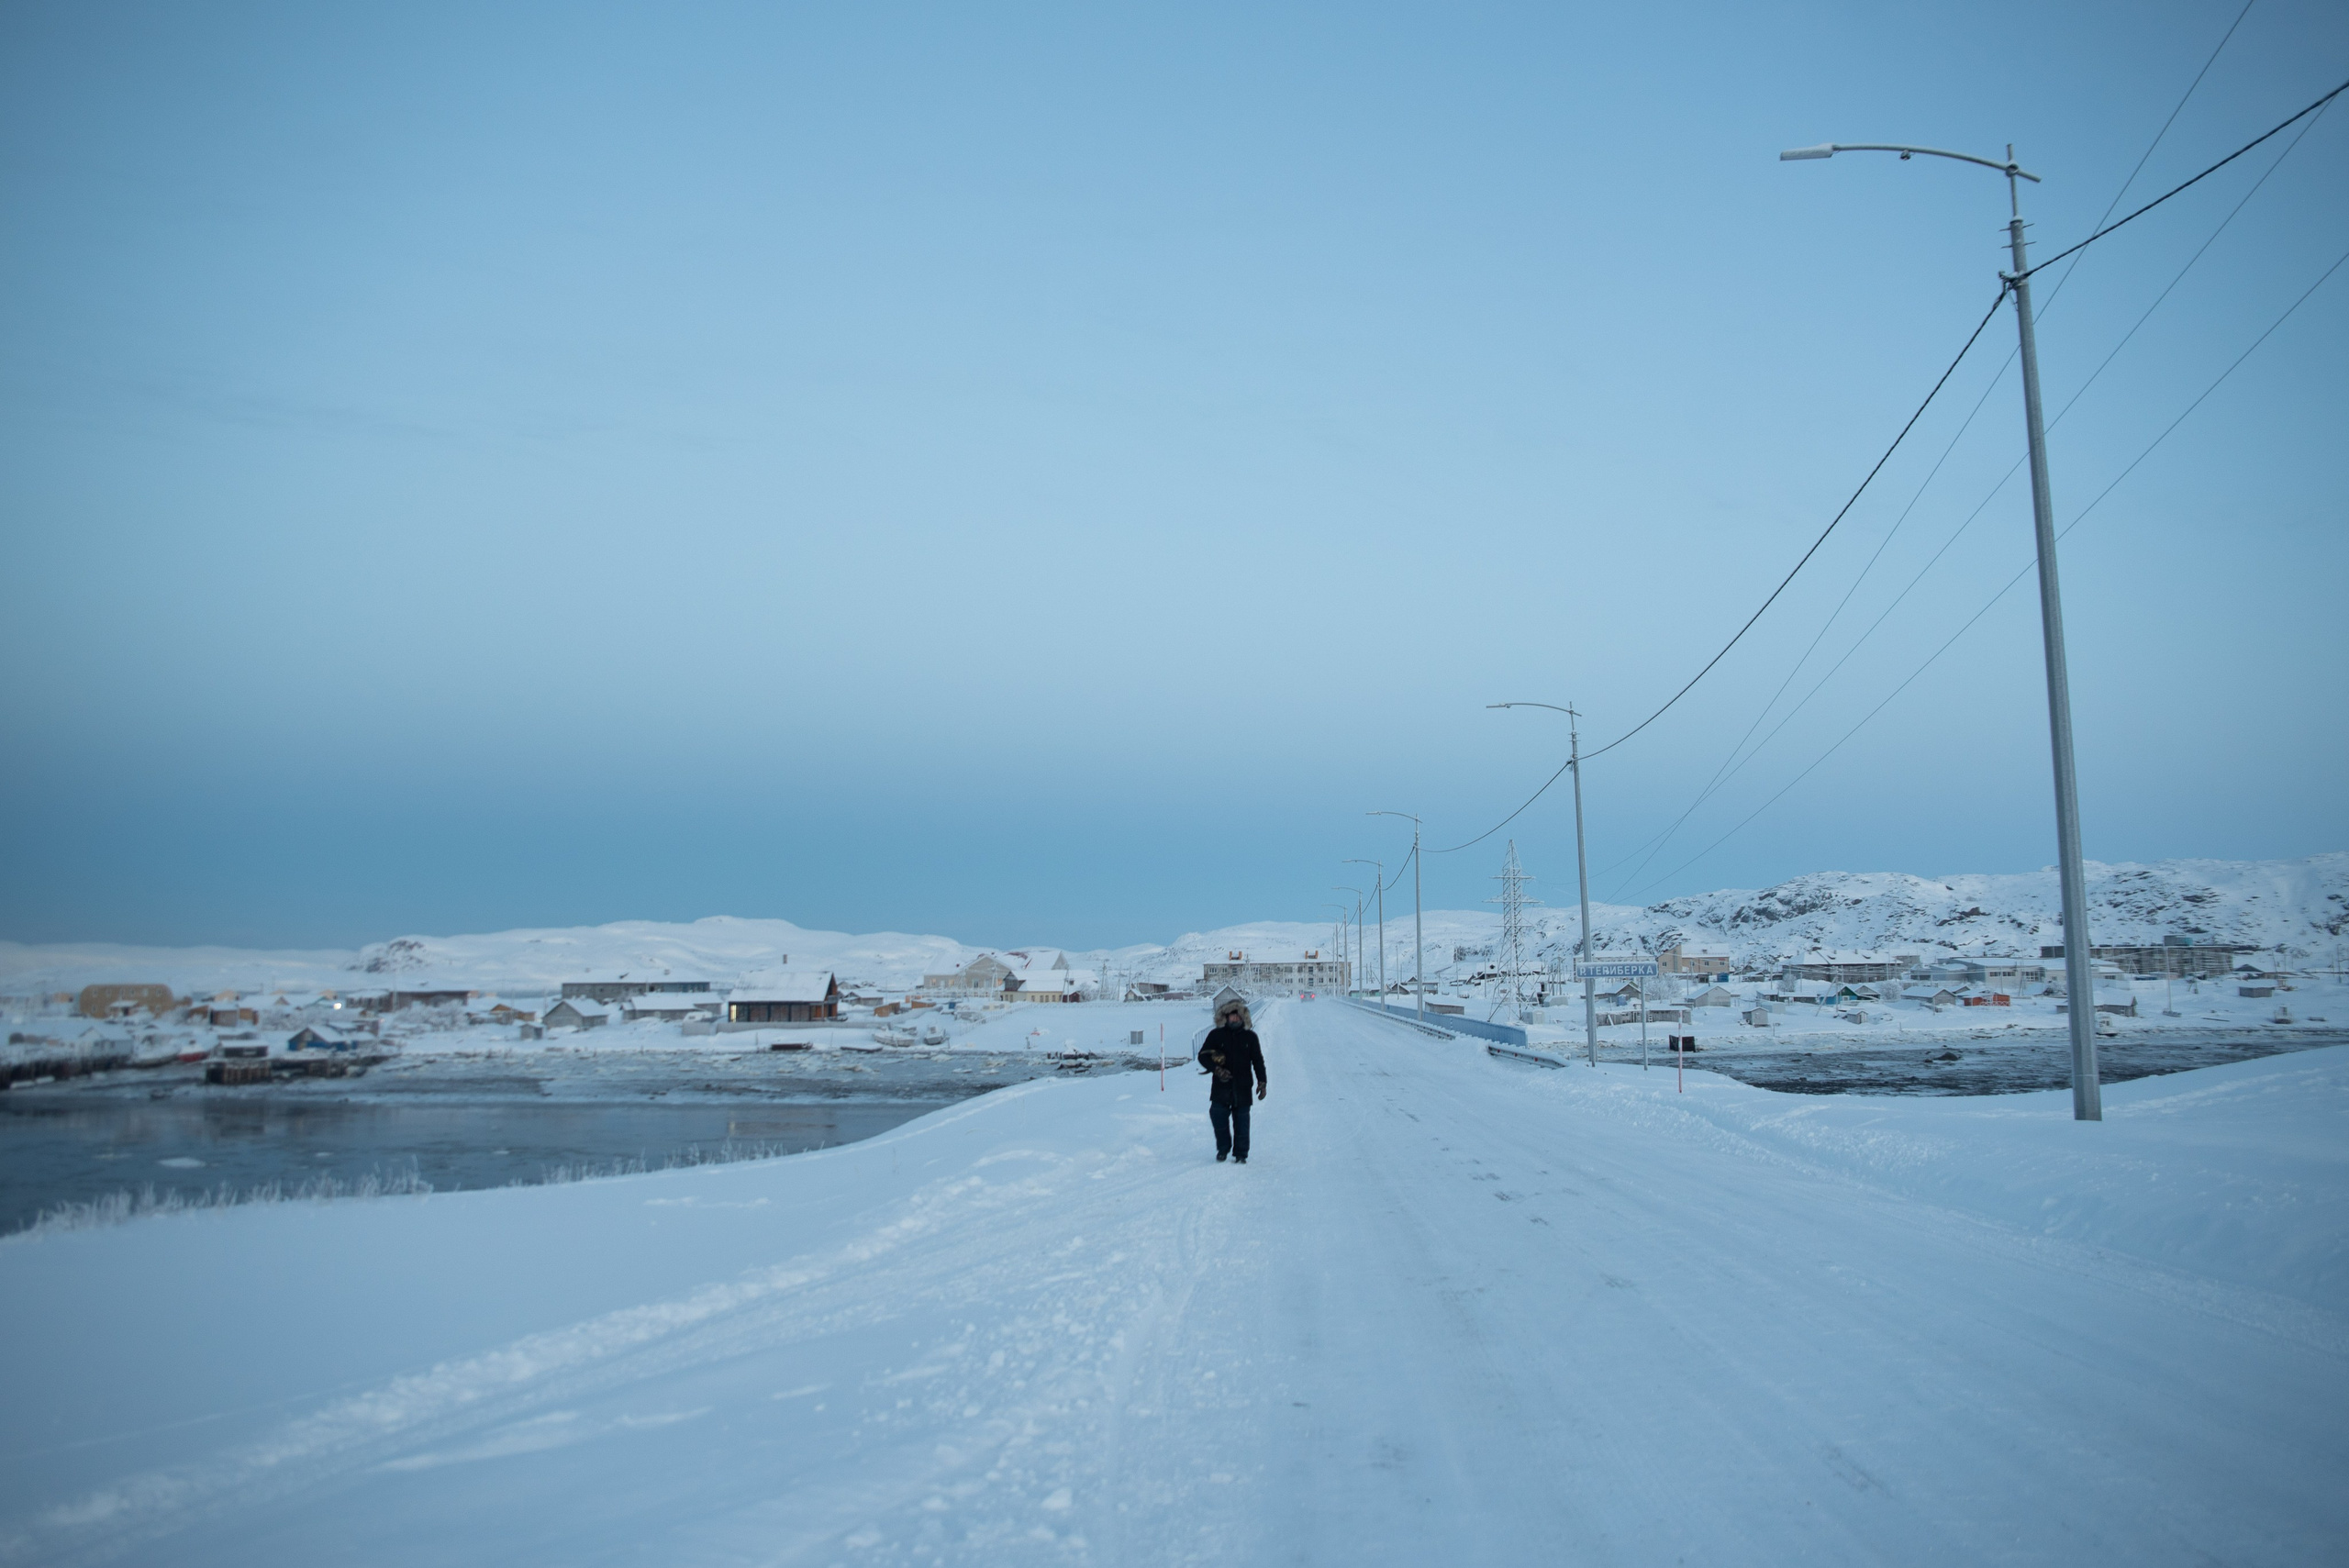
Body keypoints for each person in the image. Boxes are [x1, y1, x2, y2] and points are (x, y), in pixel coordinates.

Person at [1197, 998, 1267, 1163]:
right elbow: (1203, 1055)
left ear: (1243, 1018)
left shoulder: (1250, 1037)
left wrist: (1262, 1082)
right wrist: (1217, 1069)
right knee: (1217, 1116)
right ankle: (1223, 1148)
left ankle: (1241, 1154)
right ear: (1226, 1017)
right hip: (1221, 1087)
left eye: (1237, 1016)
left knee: (1242, 1122)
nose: (1234, 1019)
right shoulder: (1216, 1035)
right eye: (1231, 1016)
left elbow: (1258, 1061)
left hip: (1243, 1086)